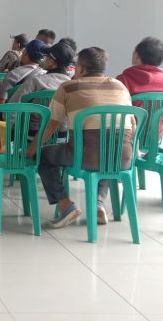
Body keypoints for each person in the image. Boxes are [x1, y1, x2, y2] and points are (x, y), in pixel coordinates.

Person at [28, 47, 134, 228]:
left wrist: (32, 150)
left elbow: (51, 126)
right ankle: (98, 204)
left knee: (44, 155)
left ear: (81, 68)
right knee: (109, 151)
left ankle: (66, 205)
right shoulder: (120, 86)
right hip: (122, 158)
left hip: (85, 157)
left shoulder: (68, 87)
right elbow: (132, 123)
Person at [10, 41, 75, 143]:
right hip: (61, 140)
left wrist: (10, 131)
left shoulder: (36, 81)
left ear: (53, 61)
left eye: (47, 56)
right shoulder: (72, 86)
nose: (45, 59)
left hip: (30, 138)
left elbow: (13, 107)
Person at [117, 36, 163, 138]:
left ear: (136, 56)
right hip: (155, 144)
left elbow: (115, 116)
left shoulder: (122, 81)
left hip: (126, 144)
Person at [0, 39, 48, 103]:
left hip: (13, 112)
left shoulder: (14, 74)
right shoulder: (46, 76)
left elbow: (0, 101)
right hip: (36, 112)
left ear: (25, 52)